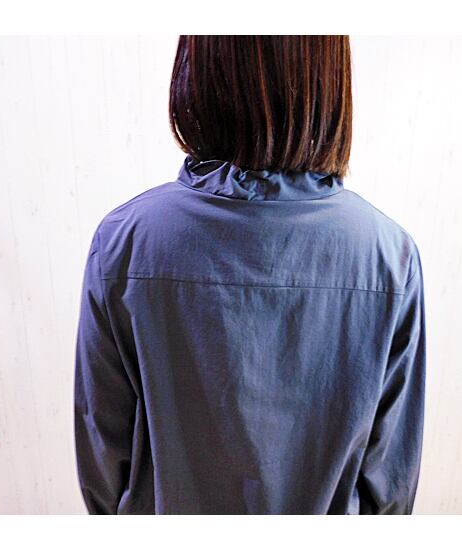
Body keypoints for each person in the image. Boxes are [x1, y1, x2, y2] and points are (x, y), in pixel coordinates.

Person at [74, 35, 426, 514]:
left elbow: (104, 461)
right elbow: (390, 488)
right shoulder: (389, 256)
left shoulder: (125, 242)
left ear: (197, 72)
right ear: (330, 83)